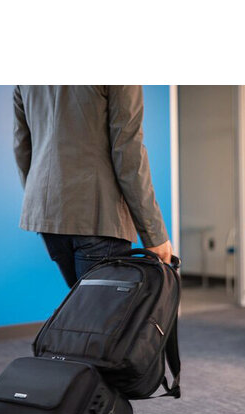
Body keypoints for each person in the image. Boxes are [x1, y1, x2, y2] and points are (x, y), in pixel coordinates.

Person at [13, 85, 172, 287]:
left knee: (84, 302)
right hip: (99, 218)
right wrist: (153, 234)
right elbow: (128, 152)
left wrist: (42, 202)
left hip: (49, 217)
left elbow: (22, 147)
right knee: (101, 306)